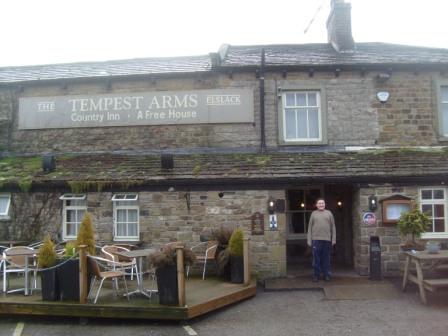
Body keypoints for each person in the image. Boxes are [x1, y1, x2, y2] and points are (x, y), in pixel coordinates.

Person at [307, 198, 336, 282]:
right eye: (319, 203)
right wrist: (309, 240)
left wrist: (333, 239)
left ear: (325, 204)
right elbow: (309, 228)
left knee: (326, 259)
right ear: (316, 205)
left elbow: (333, 227)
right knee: (316, 259)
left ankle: (326, 275)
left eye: (322, 203)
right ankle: (316, 275)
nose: (321, 205)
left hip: (327, 240)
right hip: (316, 240)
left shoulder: (329, 213)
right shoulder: (313, 214)